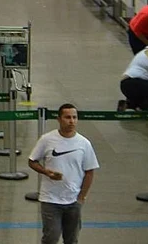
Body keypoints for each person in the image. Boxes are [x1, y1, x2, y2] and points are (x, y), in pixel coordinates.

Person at [28, 103, 99, 244]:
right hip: (50, 200)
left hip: (73, 200)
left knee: (71, 239)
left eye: (74, 117)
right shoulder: (47, 139)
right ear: (59, 119)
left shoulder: (84, 143)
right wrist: (46, 172)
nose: (72, 121)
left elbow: (89, 172)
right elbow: (32, 161)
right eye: (67, 117)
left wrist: (81, 197)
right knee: (51, 237)